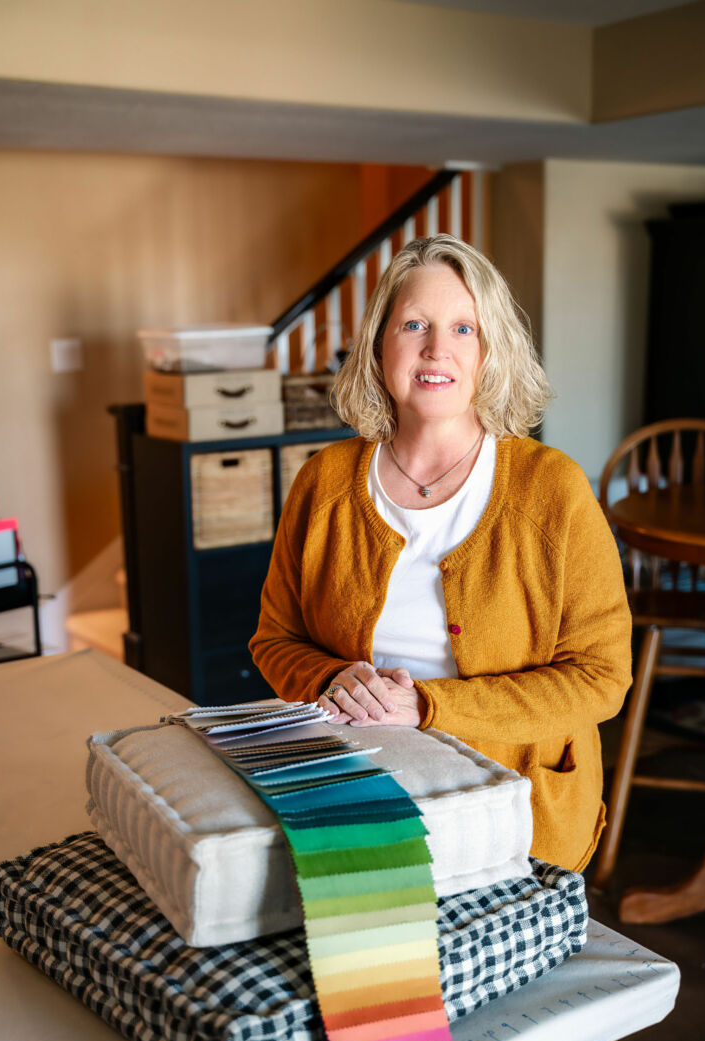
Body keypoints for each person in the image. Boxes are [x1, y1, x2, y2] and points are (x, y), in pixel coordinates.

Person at [250, 234, 631, 872]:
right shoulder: (322, 481)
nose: (436, 349)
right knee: (351, 936)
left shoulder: (554, 489)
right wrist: (330, 678)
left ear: (492, 349)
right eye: (414, 325)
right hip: (354, 790)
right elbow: (275, 639)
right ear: (380, 343)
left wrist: (429, 707)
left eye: (463, 328)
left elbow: (602, 678)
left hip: (514, 807)